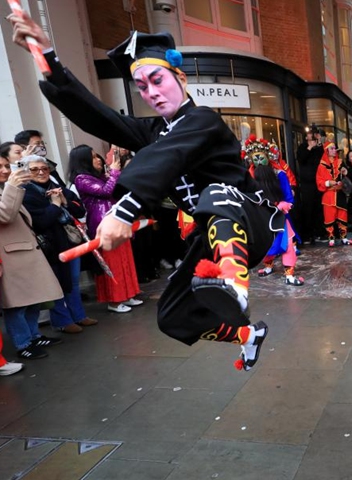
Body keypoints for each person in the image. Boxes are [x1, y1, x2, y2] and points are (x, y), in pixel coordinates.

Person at [10, 15, 283, 371]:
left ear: (180, 78)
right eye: (142, 86)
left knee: (214, 193)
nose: (151, 92)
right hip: (211, 236)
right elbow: (100, 118)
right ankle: (248, 335)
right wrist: (47, 56)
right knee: (172, 316)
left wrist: (124, 209)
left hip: (248, 220)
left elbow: (170, 155)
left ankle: (234, 285)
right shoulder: (155, 131)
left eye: (158, 80)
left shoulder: (204, 120)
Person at [1, 148, 64, 361]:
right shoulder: (9, 188)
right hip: (10, 256)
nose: (4, 170)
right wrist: (12, 185)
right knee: (17, 305)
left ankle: (34, 336)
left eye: (5, 166)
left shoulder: (6, 188)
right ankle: (23, 343)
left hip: (25, 252)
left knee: (33, 299)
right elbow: (5, 215)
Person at [22, 155, 96, 333]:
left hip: (70, 242)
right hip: (49, 246)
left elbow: (79, 210)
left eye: (45, 168)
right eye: (34, 169)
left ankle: (79, 316)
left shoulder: (57, 187)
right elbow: (40, 222)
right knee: (57, 285)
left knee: (74, 282)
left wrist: (64, 201)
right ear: (26, 172)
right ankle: (62, 321)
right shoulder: (25, 193)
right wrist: (55, 205)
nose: (41, 172)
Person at [70, 144, 143, 312]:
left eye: (97, 156)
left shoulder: (99, 176)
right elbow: (105, 191)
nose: (98, 159)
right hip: (102, 224)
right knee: (113, 263)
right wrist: (115, 172)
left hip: (116, 219)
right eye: (94, 157)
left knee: (125, 260)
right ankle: (115, 301)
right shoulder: (81, 178)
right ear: (84, 161)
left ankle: (128, 295)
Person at [244, 137, 303, 286]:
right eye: (255, 158)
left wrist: (281, 206)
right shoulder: (249, 177)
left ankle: (289, 274)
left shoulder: (279, 174)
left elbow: (289, 198)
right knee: (264, 243)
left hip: (279, 214)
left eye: (261, 157)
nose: (258, 160)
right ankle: (268, 266)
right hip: (261, 215)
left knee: (287, 242)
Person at [317, 142, 352, 247]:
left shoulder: (340, 162)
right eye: (332, 148)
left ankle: (344, 238)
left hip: (340, 194)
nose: (334, 150)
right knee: (329, 218)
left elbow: (349, 177)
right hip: (328, 195)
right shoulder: (321, 165)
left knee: (343, 217)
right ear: (326, 151)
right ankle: (331, 238)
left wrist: (345, 171)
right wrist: (329, 183)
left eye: (335, 148)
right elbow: (319, 181)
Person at [295, 128, 324, 244]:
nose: (312, 137)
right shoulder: (302, 147)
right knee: (308, 208)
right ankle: (307, 234)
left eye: (314, 135)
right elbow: (301, 159)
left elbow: (323, 159)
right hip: (307, 183)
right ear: (306, 137)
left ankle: (319, 233)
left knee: (318, 208)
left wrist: (319, 144)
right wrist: (309, 147)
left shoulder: (319, 148)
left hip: (318, 181)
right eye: (310, 135)